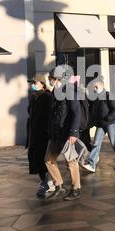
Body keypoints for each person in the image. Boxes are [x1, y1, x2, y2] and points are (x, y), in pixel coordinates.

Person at [44, 67, 82, 201]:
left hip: (67, 132)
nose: (49, 80)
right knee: (48, 160)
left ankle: (76, 188)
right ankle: (59, 185)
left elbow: (76, 112)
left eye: (50, 78)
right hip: (55, 133)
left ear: (56, 78)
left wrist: (73, 133)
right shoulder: (55, 90)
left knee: (71, 161)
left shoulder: (69, 90)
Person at [82, 78, 115, 173]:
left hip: (110, 123)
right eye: (94, 87)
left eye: (96, 87)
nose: (95, 89)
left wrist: (109, 118)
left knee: (114, 142)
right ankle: (91, 164)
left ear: (101, 86)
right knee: (96, 143)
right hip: (101, 124)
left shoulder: (108, 95)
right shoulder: (96, 98)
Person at [26, 74, 54, 198]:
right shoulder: (34, 97)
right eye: (31, 83)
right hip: (34, 134)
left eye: (35, 83)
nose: (32, 85)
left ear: (42, 84)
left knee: (42, 160)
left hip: (43, 135)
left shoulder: (47, 97)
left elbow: (49, 117)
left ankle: (48, 182)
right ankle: (46, 181)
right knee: (36, 160)